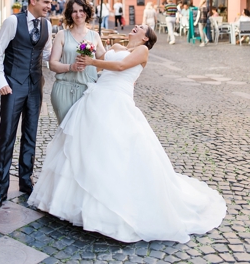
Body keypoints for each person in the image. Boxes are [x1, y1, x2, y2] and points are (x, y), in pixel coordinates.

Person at [28, 25, 226, 242]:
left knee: (115, 150)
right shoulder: (116, 45)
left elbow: (121, 66)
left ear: (145, 38)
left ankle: (109, 210)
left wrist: (94, 62)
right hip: (95, 98)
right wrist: (88, 49)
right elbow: (105, 62)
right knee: (86, 149)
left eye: (142, 28)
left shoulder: (142, 52)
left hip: (117, 102)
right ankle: (72, 203)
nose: (137, 27)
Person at [0, 0, 53, 211]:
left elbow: (47, 54)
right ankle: (0, 189)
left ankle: (26, 182)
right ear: (33, 1)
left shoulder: (47, 25)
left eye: (50, 2)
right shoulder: (12, 22)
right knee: (6, 137)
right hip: (13, 86)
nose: (49, 6)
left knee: (30, 135)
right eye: (46, 2)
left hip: (35, 87)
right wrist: (2, 82)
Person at [47, 0, 106, 125]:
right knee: (65, 132)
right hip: (63, 90)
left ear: (87, 12)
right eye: (74, 11)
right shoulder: (62, 35)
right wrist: (71, 67)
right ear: (70, 14)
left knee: (84, 133)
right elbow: (52, 64)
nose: (78, 14)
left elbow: (104, 60)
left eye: (81, 10)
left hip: (87, 91)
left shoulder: (95, 36)